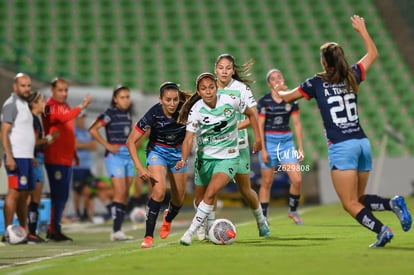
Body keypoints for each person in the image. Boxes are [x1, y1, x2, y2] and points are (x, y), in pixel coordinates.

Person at [278, 15, 412, 247]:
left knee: (349, 204)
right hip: (362, 143)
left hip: (342, 147)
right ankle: (393, 203)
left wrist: (277, 90)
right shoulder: (352, 74)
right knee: (358, 199)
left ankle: (383, 230)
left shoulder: (315, 83)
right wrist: (363, 30)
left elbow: (288, 97)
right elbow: (373, 54)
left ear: (324, 62)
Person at [176, 72, 262, 246]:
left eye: (211, 87)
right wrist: (184, 158)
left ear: (216, 87)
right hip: (205, 157)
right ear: (199, 92)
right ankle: (205, 227)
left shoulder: (230, 100)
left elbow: (252, 114)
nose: (208, 91)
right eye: (203, 88)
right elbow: (188, 139)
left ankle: (189, 232)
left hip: (228, 157)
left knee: (211, 192)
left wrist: (258, 138)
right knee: (200, 198)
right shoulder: (196, 110)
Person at [196, 54, 268, 239]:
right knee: (212, 189)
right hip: (214, 147)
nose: (224, 71)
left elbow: (253, 115)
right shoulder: (209, 88)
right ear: (215, 69)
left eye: (228, 68)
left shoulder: (241, 89)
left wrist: (238, 129)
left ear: (233, 70)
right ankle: (208, 228)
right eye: (221, 67)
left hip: (238, 145)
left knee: (245, 190)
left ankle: (261, 221)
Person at [126, 82, 190, 249]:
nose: (172, 103)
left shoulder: (186, 109)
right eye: (168, 100)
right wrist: (140, 168)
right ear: (160, 99)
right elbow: (131, 142)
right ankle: (148, 236)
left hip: (178, 154)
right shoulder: (154, 113)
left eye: (175, 99)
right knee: (159, 191)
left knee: (178, 200)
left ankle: (168, 218)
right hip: (158, 152)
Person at [42, 77, 92, 242]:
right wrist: (82, 107)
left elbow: (67, 132)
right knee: (58, 194)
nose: (64, 93)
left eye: (66, 90)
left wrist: (74, 153)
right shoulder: (50, 106)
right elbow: (64, 119)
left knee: (63, 195)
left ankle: (55, 228)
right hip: (55, 157)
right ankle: (53, 229)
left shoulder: (64, 106)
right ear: (52, 91)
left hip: (66, 157)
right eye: (60, 90)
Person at [257, 69, 304, 225]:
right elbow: (260, 126)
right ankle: (263, 217)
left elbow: (297, 124)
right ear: (269, 83)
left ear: (283, 79)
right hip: (269, 143)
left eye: (279, 77)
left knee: (297, 179)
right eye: (273, 78)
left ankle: (293, 210)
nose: (277, 80)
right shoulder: (264, 101)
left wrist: (300, 147)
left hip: (286, 144)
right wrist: (263, 149)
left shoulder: (291, 99)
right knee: (267, 182)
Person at [89, 85, 134, 241]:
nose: (126, 100)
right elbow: (93, 129)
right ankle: (116, 230)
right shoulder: (110, 113)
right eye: (122, 97)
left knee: (126, 194)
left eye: (127, 97)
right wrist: (107, 145)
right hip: (115, 157)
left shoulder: (127, 114)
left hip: (128, 156)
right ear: (115, 99)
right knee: (119, 192)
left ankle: (118, 230)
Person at [1, 73, 34, 244]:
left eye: (28, 86)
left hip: (27, 157)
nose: (27, 89)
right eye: (23, 85)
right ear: (15, 86)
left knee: (24, 195)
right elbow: (4, 131)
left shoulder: (24, 104)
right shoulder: (11, 104)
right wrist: (9, 156)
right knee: (14, 193)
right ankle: (7, 232)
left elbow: (25, 132)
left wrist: (32, 155)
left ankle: (23, 231)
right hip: (17, 156)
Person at [27, 91, 59, 243]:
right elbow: (34, 142)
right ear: (33, 104)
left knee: (34, 197)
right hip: (34, 160)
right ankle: (30, 232)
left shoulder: (36, 119)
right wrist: (50, 138)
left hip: (37, 158)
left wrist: (48, 141)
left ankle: (31, 231)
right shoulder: (32, 120)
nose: (44, 104)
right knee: (33, 197)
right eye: (41, 101)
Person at [72, 111, 99, 222]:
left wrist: (81, 145)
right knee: (77, 191)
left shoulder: (88, 131)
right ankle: (78, 212)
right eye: (79, 118)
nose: (81, 120)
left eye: (83, 118)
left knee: (89, 190)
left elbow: (94, 146)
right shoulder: (73, 131)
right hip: (76, 166)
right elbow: (74, 145)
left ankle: (86, 212)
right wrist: (86, 145)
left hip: (87, 166)